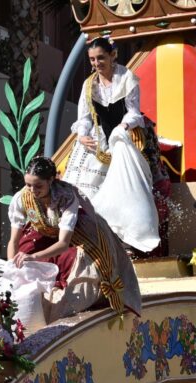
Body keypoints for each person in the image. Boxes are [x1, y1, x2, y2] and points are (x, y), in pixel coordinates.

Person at [8, 156, 141, 323]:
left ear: (51, 180)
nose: (32, 191)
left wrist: (34, 257)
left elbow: (63, 243)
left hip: (77, 231)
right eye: (28, 185)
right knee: (23, 255)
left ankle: (72, 296)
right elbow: (13, 241)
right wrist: (11, 270)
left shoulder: (66, 197)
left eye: (38, 186)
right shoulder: (22, 198)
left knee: (93, 260)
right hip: (43, 229)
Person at [62, 36, 159, 253]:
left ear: (113, 55)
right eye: (92, 59)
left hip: (128, 136)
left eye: (101, 58)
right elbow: (84, 118)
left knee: (129, 179)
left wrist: (122, 128)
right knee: (84, 183)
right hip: (100, 141)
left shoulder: (128, 78)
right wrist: (82, 135)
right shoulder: (89, 85)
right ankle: (90, 236)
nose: (96, 63)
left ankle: (128, 234)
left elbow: (134, 113)